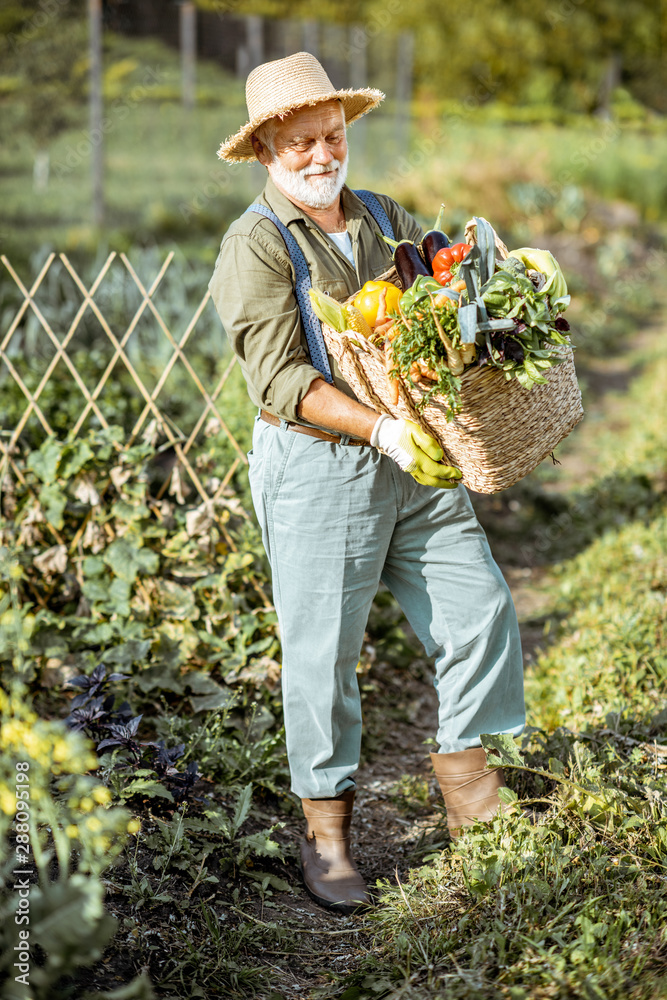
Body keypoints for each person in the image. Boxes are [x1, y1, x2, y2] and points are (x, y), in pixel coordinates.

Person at [209, 52, 525, 915]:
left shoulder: (384, 217)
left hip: (415, 458)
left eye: (333, 136)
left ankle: (467, 783)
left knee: (480, 605)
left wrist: (491, 315)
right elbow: (279, 378)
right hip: (319, 466)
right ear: (268, 149)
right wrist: (379, 426)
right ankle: (327, 834)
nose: (321, 154)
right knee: (322, 656)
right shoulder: (257, 244)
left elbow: (443, 289)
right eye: (302, 142)